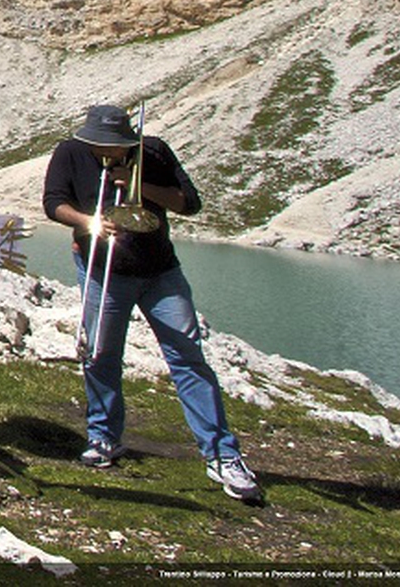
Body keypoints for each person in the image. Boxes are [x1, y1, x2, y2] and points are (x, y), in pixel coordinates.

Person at [42, 104, 264, 502]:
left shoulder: (155, 152)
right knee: (100, 354)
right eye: (99, 148)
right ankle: (104, 437)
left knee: (187, 356)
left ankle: (222, 454)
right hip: (102, 270)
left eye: (113, 148)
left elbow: (188, 203)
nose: (105, 154)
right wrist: (87, 221)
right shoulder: (71, 152)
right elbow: (53, 202)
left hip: (160, 272)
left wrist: (138, 185)